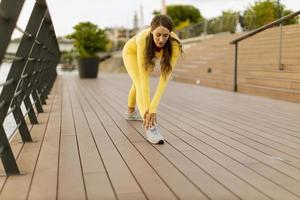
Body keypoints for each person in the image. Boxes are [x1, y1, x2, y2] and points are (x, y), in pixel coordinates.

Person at [122, 14, 182, 144]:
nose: (161, 39)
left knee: (137, 82)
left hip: (149, 54)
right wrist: (148, 112)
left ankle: (131, 113)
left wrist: (153, 108)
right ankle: (150, 126)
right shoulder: (143, 38)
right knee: (139, 82)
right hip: (131, 52)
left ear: (170, 33)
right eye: (158, 35)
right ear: (151, 31)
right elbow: (144, 82)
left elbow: (164, 78)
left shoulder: (175, 44)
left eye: (165, 35)